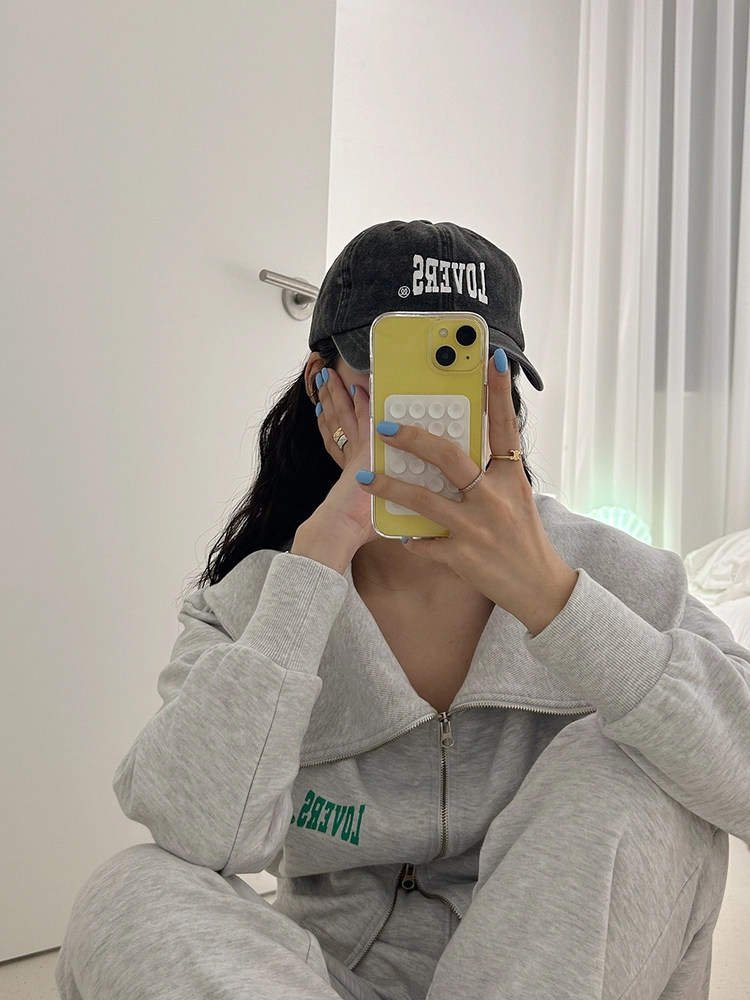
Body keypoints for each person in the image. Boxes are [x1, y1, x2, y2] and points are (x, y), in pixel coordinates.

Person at [56, 220, 749, 1000]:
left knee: (646, 763)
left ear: (508, 393)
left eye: (469, 372)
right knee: (130, 891)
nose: (434, 416)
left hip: (549, 974)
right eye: (397, 373)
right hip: (325, 981)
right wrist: (315, 568)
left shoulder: (611, 574)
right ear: (323, 385)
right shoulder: (257, 601)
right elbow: (200, 834)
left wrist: (551, 597)